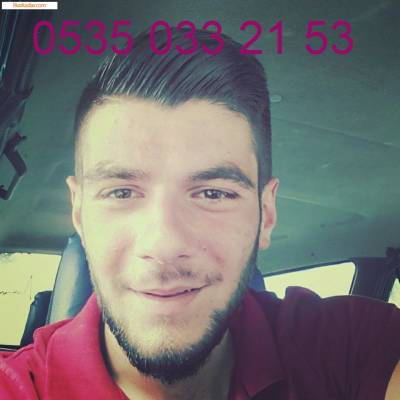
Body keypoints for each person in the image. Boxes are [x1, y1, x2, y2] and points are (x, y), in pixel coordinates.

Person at [1, 27, 399, 400]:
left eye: (213, 193)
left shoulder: (351, 347)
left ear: (266, 214)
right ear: (79, 213)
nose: (164, 244)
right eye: (121, 192)